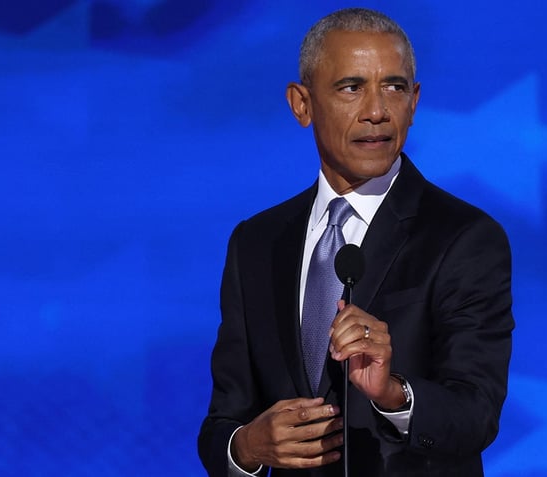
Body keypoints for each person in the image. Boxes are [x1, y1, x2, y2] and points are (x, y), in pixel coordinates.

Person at [198, 7, 514, 477]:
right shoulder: (256, 243)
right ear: (301, 104)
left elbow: (476, 415)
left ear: (414, 102)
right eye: (351, 87)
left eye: (395, 87)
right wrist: (248, 446)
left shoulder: (464, 238)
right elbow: (224, 418)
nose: (376, 111)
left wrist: (393, 394)